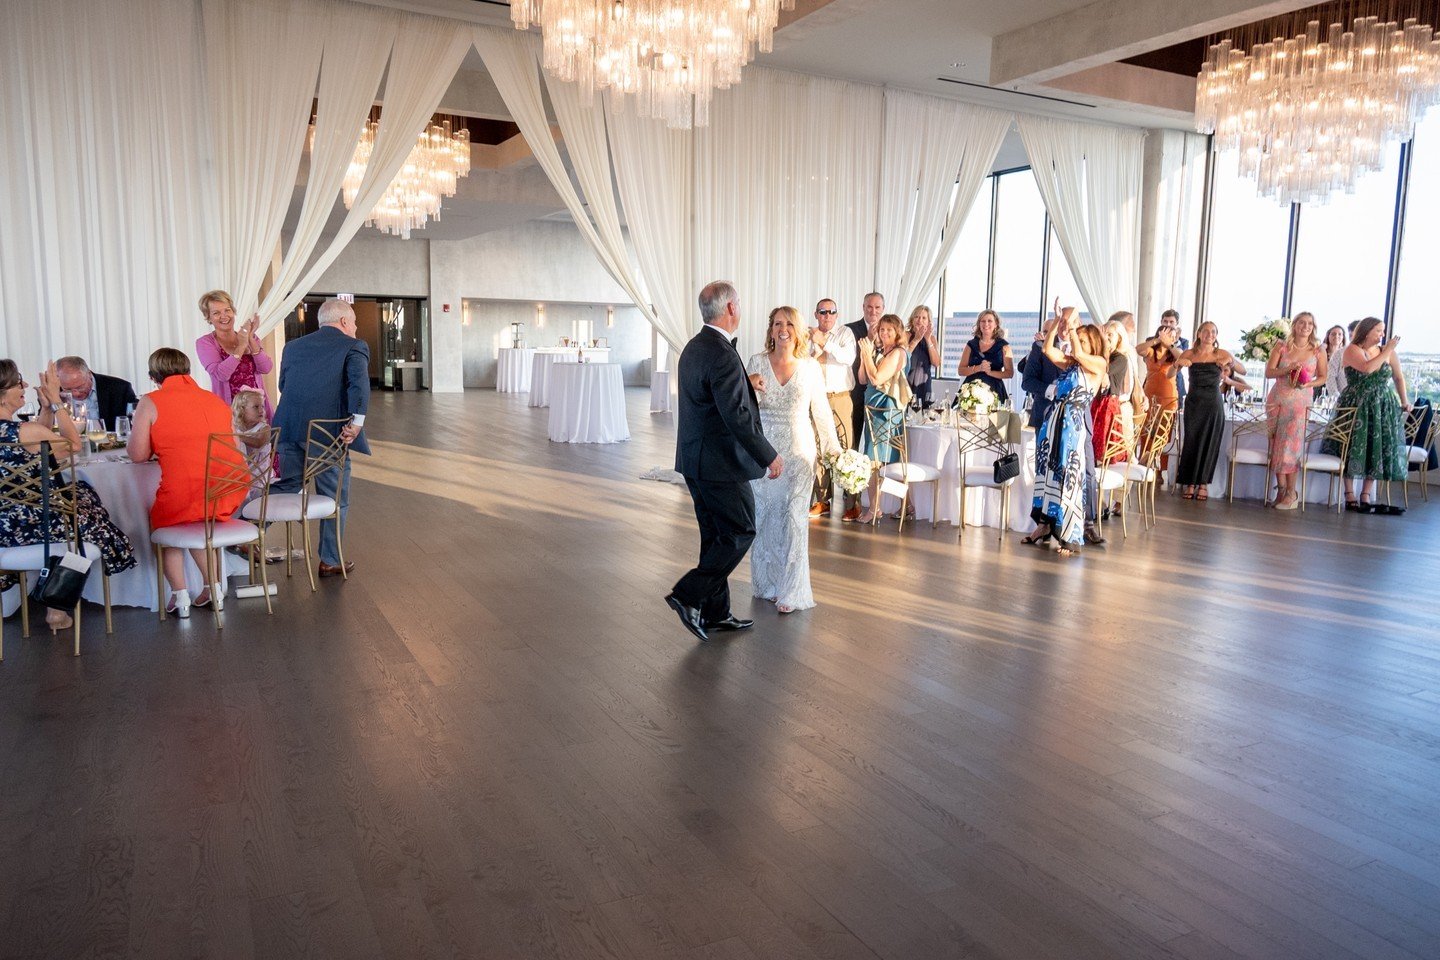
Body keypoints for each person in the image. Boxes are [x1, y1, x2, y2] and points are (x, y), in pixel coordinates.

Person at [667, 282, 781, 642]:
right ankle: (687, 595)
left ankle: (716, 614)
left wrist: (744, 382)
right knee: (741, 529)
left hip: (695, 461)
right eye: (740, 304)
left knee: (715, 534)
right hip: (719, 464)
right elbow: (736, 417)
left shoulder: (695, 346)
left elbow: (711, 396)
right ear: (731, 307)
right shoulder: (720, 352)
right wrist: (768, 455)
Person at [0, 360, 136, 633]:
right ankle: (57, 606)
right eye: (18, 383)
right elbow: (74, 445)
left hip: (4, 524)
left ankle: (51, 596)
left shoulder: (24, 431)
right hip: (35, 523)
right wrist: (58, 403)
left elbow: (40, 439)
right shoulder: (26, 433)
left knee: (82, 500)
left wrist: (46, 410)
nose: (24, 386)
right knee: (90, 520)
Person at [126, 348, 247, 618]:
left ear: (153, 376)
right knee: (195, 519)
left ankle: (179, 596)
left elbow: (137, 455)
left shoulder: (151, 401)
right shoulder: (213, 399)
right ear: (188, 371)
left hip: (188, 492)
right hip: (228, 488)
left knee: (166, 524)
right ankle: (213, 588)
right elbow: (235, 446)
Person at [744, 307, 841, 613]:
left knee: (796, 518)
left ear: (798, 330)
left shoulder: (811, 367)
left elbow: (821, 412)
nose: (782, 329)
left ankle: (792, 591)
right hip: (764, 450)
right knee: (765, 517)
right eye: (777, 324)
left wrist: (833, 451)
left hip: (800, 452)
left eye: (788, 324)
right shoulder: (757, 362)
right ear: (770, 330)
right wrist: (750, 385)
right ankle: (768, 584)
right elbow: (744, 409)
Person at [272, 298, 370, 578]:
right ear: (342, 322)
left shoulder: (293, 347)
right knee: (335, 497)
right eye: (353, 322)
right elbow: (358, 385)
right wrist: (357, 423)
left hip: (289, 428)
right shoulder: (354, 345)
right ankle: (330, 559)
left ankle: (242, 530)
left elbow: (283, 385)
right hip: (327, 434)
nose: (355, 327)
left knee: (288, 484)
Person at [1024, 311, 1109, 555]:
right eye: (1075, 339)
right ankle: (1044, 526)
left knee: (1068, 480)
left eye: (1082, 340)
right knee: (1048, 476)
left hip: (1071, 429)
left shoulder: (1098, 365)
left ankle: (1070, 536)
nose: (1075, 345)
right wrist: (1056, 324)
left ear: (1091, 344)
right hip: (1052, 425)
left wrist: (1072, 325)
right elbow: (1048, 350)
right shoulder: (1071, 364)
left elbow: (1081, 354)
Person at [1329, 316, 1410, 513]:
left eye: (1383, 331)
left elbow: (1398, 378)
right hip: (1357, 403)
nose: (1382, 335)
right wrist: (1389, 350)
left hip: (1382, 405)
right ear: (1366, 331)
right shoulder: (1352, 350)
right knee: (1352, 447)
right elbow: (1367, 368)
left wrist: (1404, 400)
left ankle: (1366, 494)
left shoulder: (1387, 352)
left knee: (1377, 448)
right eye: (1378, 331)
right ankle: (1349, 494)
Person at [1174, 321, 1245, 501]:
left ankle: (1203, 483)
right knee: (1192, 441)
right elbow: (1171, 373)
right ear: (1199, 334)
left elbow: (1242, 370)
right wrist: (1178, 364)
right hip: (1194, 402)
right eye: (1206, 331)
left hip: (1213, 403)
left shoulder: (1221, 353)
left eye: (1213, 331)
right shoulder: (1189, 353)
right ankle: (1190, 483)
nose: (1209, 334)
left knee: (1209, 442)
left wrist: (1231, 361)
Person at [1264, 311, 1326, 510]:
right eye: (1301, 322)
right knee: (1277, 444)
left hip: (1300, 402)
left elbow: (1323, 377)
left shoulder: (1318, 350)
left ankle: (1292, 492)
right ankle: (1281, 489)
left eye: (1309, 323)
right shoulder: (1281, 346)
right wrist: (1287, 369)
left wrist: (1307, 385)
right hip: (1277, 400)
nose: (1305, 326)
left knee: (1291, 446)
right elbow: (1268, 372)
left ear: (1313, 327)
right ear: (1295, 325)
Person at [856, 314, 911, 524]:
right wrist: (864, 357)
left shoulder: (898, 353)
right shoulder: (880, 352)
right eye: (882, 330)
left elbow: (877, 378)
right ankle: (901, 506)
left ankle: (875, 508)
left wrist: (868, 356)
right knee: (877, 460)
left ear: (897, 332)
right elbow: (863, 378)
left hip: (885, 411)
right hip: (872, 409)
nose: (884, 333)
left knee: (876, 460)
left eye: (889, 330)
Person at [807, 297, 857, 519]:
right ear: (816, 314)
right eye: (822, 312)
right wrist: (814, 346)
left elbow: (848, 358)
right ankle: (822, 499)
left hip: (840, 397)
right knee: (819, 448)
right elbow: (801, 363)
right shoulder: (808, 336)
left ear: (837, 315)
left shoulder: (845, 334)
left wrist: (825, 342)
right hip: (816, 399)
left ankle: (852, 501)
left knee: (845, 447)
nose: (827, 315)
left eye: (831, 311)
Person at [195, 289, 275, 422]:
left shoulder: (250, 337)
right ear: (208, 317)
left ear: (233, 311)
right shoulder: (205, 343)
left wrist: (249, 338)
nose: (224, 316)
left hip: (259, 411)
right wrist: (241, 347)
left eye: (227, 310)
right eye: (216, 313)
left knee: (263, 442)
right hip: (229, 413)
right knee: (234, 443)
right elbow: (221, 374)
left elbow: (266, 368)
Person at [844, 292, 886, 512]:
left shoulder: (889, 330)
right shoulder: (850, 329)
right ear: (863, 307)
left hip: (880, 399)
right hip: (854, 394)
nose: (873, 311)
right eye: (870, 307)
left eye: (878, 308)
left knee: (873, 452)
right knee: (852, 445)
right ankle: (851, 499)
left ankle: (877, 502)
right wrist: (868, 342)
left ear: (883, 309)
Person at [54, 356, 138, 430]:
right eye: (68, 390)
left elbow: (134, 423)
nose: (76, 394)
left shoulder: (119, 388)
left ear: (89, 374)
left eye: (80, 387)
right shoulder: (51, 393)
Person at [956, 310, 1013, 405]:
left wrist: (990, 372)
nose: (986, 324)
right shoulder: (971, 345)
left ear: (996, 324)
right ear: (979, 324)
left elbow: (1009, 373)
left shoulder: (1005, 346)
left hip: (995, 390)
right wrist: (979, 368)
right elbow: (961, 370)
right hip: (970, 391)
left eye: (990, 321)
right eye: (983, 321)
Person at [1021, 314, 1065, 428]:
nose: (1048, 335)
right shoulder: (1038, 347)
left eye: (1051, 331)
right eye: (1045, 332)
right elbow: (1024, 374)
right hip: (1044, 412)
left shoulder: (1081, 347)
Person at [905, 305, 941, 408]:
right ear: (912, 319)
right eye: (917, 317)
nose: (919, 320)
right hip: (907, 383)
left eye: (924, 318)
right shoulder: (906, 335)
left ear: (929, 322)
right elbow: (902, 358)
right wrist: (916, 338)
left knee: (923, 416)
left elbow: (936, 363)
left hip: (924, 385)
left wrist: (928, 339)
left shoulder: (932, 339)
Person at [1324, 324, 1349, 398]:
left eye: (1340, 334)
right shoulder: (1322, 352)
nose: (1336, 336)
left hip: (1340, 389)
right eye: (1333, 334)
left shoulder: (1345, 353)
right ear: (1328, 336)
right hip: (1322, 387)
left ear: (1343, 337)